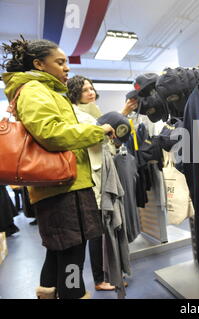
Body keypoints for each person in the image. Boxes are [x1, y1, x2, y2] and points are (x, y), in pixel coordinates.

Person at [1, 36, 117, 299]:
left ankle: (49, 292)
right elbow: (50, 133)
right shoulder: (34, 90)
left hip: (64, 184)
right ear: (39, 64)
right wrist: (96, 132)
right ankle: (73, 294)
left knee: (59, 251)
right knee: (73, 256)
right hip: (64, 187)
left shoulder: (44, 90)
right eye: (60, 62)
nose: (67, 68)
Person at [67, 75, 137, 291]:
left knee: (102, 230)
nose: (90, 92)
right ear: (75, 92)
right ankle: (99, 279)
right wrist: (121, 116)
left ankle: (105, 275)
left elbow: (106, 141)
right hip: (93, 180)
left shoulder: (90, 111)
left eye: (91, 88)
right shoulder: (77, 115)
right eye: (85, 89)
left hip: (100, 175)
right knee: (97, 231)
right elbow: (96, 138)